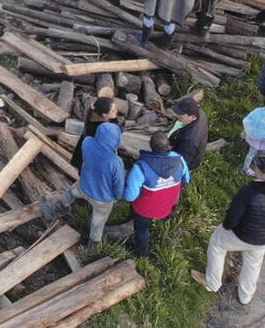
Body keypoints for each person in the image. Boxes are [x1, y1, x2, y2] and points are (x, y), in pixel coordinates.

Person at [41, 122, 126, 250]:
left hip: (84, 186)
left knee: (69, 194)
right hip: (102, 198)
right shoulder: (115, 162)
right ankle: (93, 247)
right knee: (97, 223)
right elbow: (118, 183)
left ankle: (56, 210)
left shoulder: (88, 143)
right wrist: (117, 196)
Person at [194, 153, 265, 305]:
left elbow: (232, 217)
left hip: (241, 235)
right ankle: (246, 296)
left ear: (260, 171)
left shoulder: (249, 192)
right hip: (262, 240)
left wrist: (226, 227)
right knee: (253, 263)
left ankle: (212, 283)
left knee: (216, 243)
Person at [124, 132, 190, 257]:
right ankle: (164, 224)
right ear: (169, 146)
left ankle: (141, 253)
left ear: (151, 147)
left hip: (144, 209)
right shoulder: (179, 160)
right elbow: (186, 179)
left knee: (142, 229)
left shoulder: (141, 167)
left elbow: (130, 196)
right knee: (161, 210)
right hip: (168, 205)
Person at [69, 97, 118, 170]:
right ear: (104, 115)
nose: (116, 111)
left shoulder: (93, 120)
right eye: (113, 111)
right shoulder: (101, 130)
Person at [168, 96, 209, 171]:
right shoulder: (201, 114)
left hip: (184, 159)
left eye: (181, 114)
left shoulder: (190, 140)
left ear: (192, 117)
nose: (177, 115)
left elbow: (182, 162)